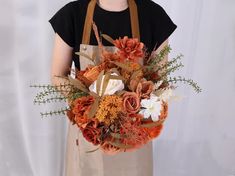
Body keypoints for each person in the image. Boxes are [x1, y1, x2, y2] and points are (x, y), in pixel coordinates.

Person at [48, 0, 177, 175]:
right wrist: (90, 107)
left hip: (133, 135)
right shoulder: (73, 14)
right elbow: (58, 75)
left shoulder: (153, 15)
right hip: (90, 133)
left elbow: (159, 80)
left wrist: (129, 111)